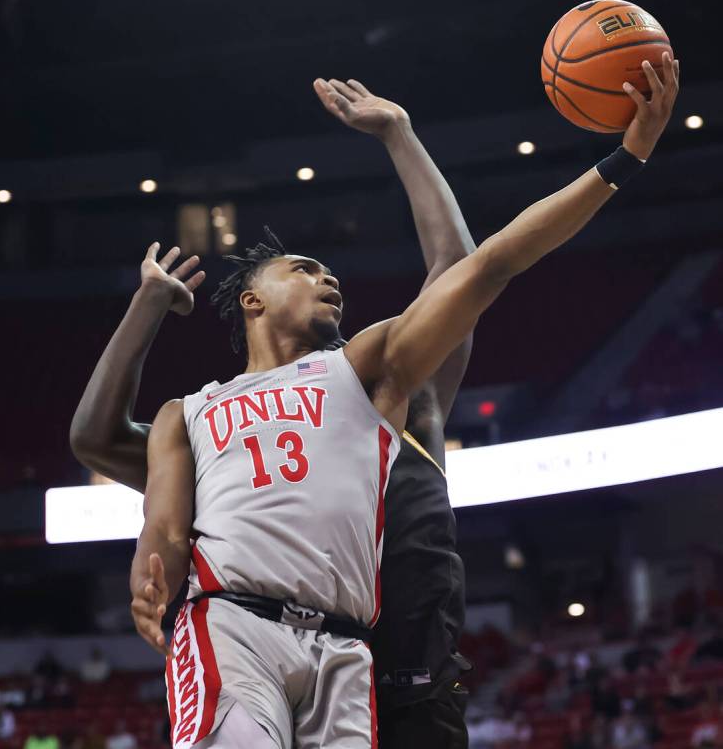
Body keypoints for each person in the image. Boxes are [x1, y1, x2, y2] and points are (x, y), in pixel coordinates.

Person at [72, 56, 678, 749]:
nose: (327, 276)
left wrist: (621, 159)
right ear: (252, 299)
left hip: (380, 658)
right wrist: (146, 307)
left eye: (330, 271)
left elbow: (479, 266)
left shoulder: (377, 372)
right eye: (303, 268)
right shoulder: (198, 413)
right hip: (243, 623)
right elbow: (103, 449)